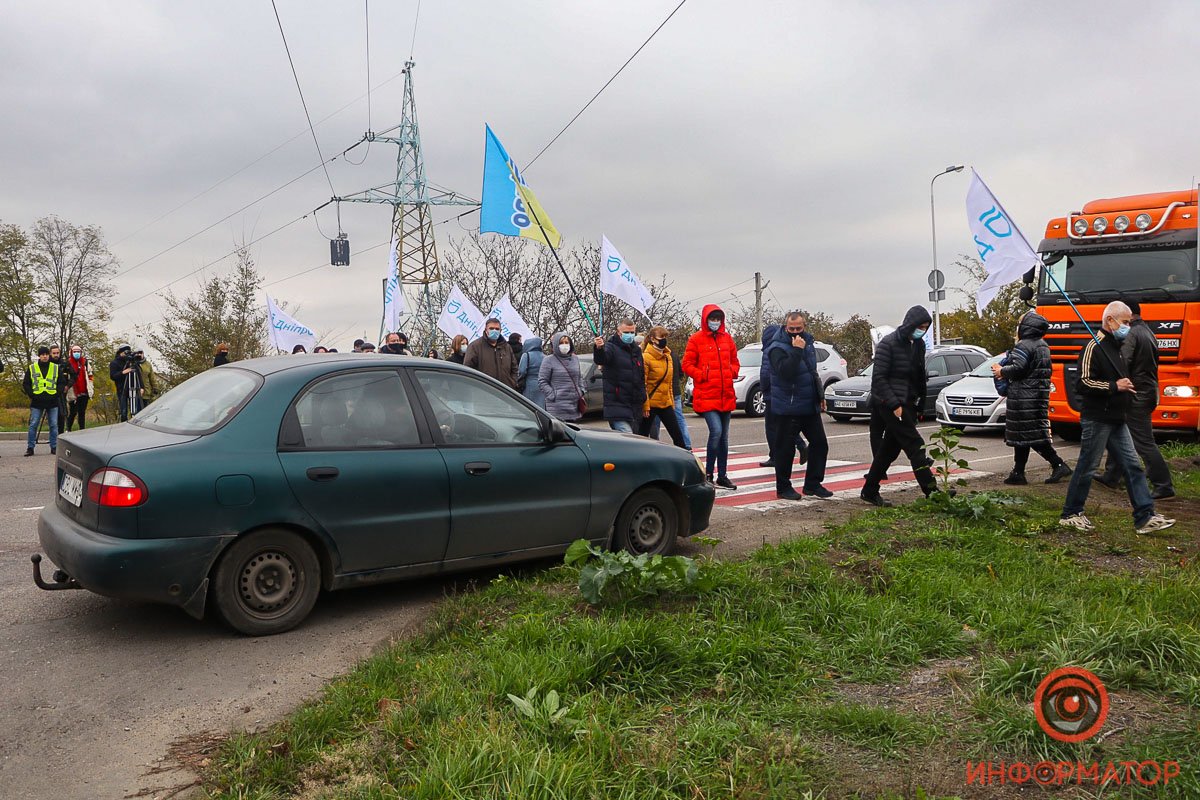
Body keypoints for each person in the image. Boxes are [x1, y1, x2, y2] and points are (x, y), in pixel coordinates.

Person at [1059, 301, 1174, 533]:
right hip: (1097, 418)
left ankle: (1145, 516)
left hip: (1118, 418)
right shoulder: (1093, 346)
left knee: (1133, 466)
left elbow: (1119, 381)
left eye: (1130, 323)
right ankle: (1071, 513)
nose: (1128, 327)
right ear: (1110, 320)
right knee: (1087, 466)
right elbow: (1083, 382)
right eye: (1125, 322)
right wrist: (1114, 386)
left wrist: (1125, 388)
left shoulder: (1117, 347)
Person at [1094, 300, 1174, 500]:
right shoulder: (1148, 331)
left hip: (1136, 394)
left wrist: (1109, 382)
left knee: (1143, 441)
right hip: (1148, 391)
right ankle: (1112, 476)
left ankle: (1163, 485)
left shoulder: (1131, 333)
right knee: (1119, 430)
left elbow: (1122, 362)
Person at [860, 306, 938, 506]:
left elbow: (919, 375)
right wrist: (894, 404)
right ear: (910, 323)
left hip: (909, 402)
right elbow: (879, 378)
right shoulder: (889, 344)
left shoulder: (918, 344)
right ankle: (933, 493)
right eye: (919, 326)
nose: (922, 330)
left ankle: (869, 490)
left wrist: (920, 403)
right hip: (889, 403)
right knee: (915, 446)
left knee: (889, 450)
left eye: (925, 327)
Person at [993, 312, 1072, 486]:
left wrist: (1001, 370)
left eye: (1020, 323)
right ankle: (1018, 472)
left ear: (1027, 326)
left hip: (1023, 397)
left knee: (1031, 436)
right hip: (1036, 395)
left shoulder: (1024, 344)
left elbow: (1018, 368)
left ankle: (1058, 464)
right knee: (1025, 436)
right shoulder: (1042, 345)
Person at [764, 313, 832, 499]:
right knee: (785, 449)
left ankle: (813, 484)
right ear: (785, 327)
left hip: (808, 404)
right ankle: (783, 487)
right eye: (791, 329)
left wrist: (820, 395)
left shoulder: (807, 343)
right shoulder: (776, 347)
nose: (795, 332)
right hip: (788, 406)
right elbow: (786, 372)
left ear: (804, 326)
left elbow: (812, 372)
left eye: (798, 329)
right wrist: (796, 351)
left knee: (820, 444)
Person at [683, 304, 740, 488]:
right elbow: (687, 364)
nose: (715, 322)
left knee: (724, 437)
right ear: (706, 320)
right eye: (712, 319)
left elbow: (735, 361)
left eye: (718, 319)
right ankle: (708, 473)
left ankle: (722, 474)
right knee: (716, 432)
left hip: (725, 394)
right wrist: (702, 375)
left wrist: (732, 371)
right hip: (707, 395)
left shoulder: (727, 339)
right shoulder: (696, 339)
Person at [758, 323, 807, 470]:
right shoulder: (784, 347)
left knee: (773, 427)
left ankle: (776, 456)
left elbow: (766, 373)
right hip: (783, 394)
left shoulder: (769, 350)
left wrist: (763, 388)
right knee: (783, 425)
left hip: (772, 394)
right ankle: (798, 445)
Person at [593, 318, 647, 434]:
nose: (630, 335)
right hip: (617, 404)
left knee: (635, 439)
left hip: (634, 405)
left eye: (632, 332)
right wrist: (599, 348)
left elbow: (641, 376)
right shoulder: (611, 347)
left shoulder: (636, 351)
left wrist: (643, 396)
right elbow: (601, 359)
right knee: (628, 437)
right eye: (626, 332)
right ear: (619, 332)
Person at [640, 326, 688, 448]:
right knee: (642, 436)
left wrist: (671, 401)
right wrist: (645, 405)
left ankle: (684, 460)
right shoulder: (646, 357)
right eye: (661, 337)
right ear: (652, 339)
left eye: (666, 337)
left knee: (678, 436)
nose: (664, 340)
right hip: (651, 403)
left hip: (665, 402)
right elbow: (643, 383)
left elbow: (668, 382)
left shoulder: (668, 356)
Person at [648, 340, 693, 450]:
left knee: (656, 423)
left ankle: (655, 445)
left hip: (666, 393)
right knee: (678, 420)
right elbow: (680, 374)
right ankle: (686, 445)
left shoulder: (654, 356)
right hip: (672, 392)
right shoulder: (673, 355)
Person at [539, 332, 584, 422]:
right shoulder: (548, 360)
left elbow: (579, 377)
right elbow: (542, 381)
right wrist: (553, 395)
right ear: (556, 344)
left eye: (566, 342)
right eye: (561, 343)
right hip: (556, 408)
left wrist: (581, 391)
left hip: (574, 406)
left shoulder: (575, 359)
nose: (564, 345)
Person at [23, 346, 61, 456]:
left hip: (52, 400)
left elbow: (61, 383)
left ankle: (54, 447)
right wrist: (32, 395)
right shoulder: (32, 368)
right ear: (39, 356)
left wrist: (56, 394)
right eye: (42, 354)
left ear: (49, 355)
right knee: (33, 424)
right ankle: (30, 448)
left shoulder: (55, 367)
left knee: (53, 425)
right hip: (37, 401)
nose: (45, 356)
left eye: (46, 354)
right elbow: (26, 383)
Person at [465, 318, 518, 388]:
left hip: (505, 392)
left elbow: (515, 369)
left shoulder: (507, 347)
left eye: (497, 329)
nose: (494, 331)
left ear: (500, 331)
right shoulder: (475, 346)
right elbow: (468, 369)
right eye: (491, 328)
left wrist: (512, 383)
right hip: (484, 391)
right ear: (486, 330)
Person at [109, 343, 143, 422]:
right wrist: (123, 372)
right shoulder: (114, 363)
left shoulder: (132, 361)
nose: (127, 354)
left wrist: (141, 387)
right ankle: (123, 423)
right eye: (125, 352)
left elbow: (138, 374)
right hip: (122, 389)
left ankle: (135, 423)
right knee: (124, 411)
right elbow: (113, 376)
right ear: (120, 352)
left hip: (133, 388)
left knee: (135, 409)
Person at [65, 344, 95, 431]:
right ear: (71, 352)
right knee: (73, 412)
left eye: (78, 352)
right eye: (75, 352)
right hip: (73, 392)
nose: (77, 353)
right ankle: (68, 429)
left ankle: (82, 430)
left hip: (84, 392)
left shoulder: (85, 362)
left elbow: (90, 376)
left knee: (82, 412)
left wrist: (91, 387)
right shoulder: (68, 363)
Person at [48, 345, 75, 428]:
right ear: (50, 354)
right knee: (51, 414)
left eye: (57, 353)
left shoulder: (65, 363)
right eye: (54, 353)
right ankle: (52, 434)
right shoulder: (47, 363)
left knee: (62, 413)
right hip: (49, 392)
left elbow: (74, 376)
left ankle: (61, 433)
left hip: (62, 392)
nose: (56, 355)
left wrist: (68, 386)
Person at [518, 336, 546, 408]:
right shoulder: (545, 357)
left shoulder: (526, 355)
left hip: (529, 384)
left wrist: (519, 379)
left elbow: (522, 371)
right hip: (542, 385)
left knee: (529, 406)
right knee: (541, 405)